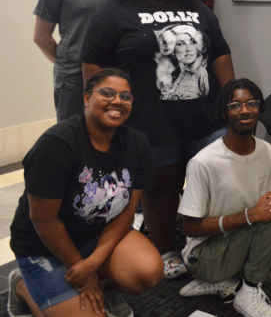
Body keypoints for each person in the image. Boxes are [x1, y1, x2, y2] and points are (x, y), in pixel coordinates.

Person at [80, 0, 235, 280]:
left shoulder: (197, 9)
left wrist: (230, 101)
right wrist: (100, 112)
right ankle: (166, 250)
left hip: (206, 121)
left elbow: (220, 53)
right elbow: (93, 64)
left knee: (212, 186)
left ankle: (204, 248)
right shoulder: (114, 12)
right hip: (148, 124)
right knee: (160, 189)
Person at [8, 68, 163, 317]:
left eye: (126, 96)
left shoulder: (137, 142)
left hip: (93, 236)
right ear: (87, 98)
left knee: (149, 271)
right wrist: (80, 267)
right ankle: (23, 287)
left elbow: (129, 208)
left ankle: (101, 286)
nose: (117, 101)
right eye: (108, 93)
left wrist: (93, 263)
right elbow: (43, 219)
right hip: (43, 245)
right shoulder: (57, 144)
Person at [178, 78, 271, 317]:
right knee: (269, 214)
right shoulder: (203, 162)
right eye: (235, 105)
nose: (245, 110)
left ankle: (239, 285)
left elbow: (264, 207)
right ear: (224, 113)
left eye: (252, 103)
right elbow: (190, 227)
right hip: (205, 256)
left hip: (247, 243)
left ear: (259, 109)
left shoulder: (266, 151)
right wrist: (250, 215)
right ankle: (250, 290)